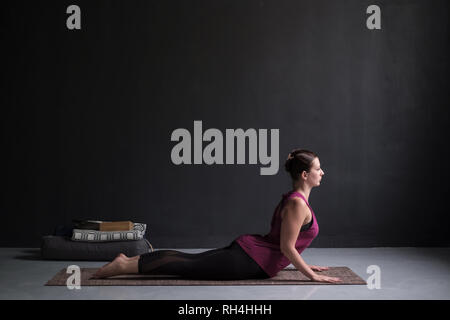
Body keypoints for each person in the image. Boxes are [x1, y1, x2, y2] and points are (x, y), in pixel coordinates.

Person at [93, 149, 342, 283]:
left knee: (187, 261)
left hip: (251, 253)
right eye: (318, 169)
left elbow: (287, 244)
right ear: (304, 175)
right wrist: (313, 276)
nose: (323, 172)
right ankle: (123, 265)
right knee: (186, 265)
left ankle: (127, 261)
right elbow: (287, 247)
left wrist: (305, 266)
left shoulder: (297, 201)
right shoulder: (298, 205)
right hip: (251, 260)